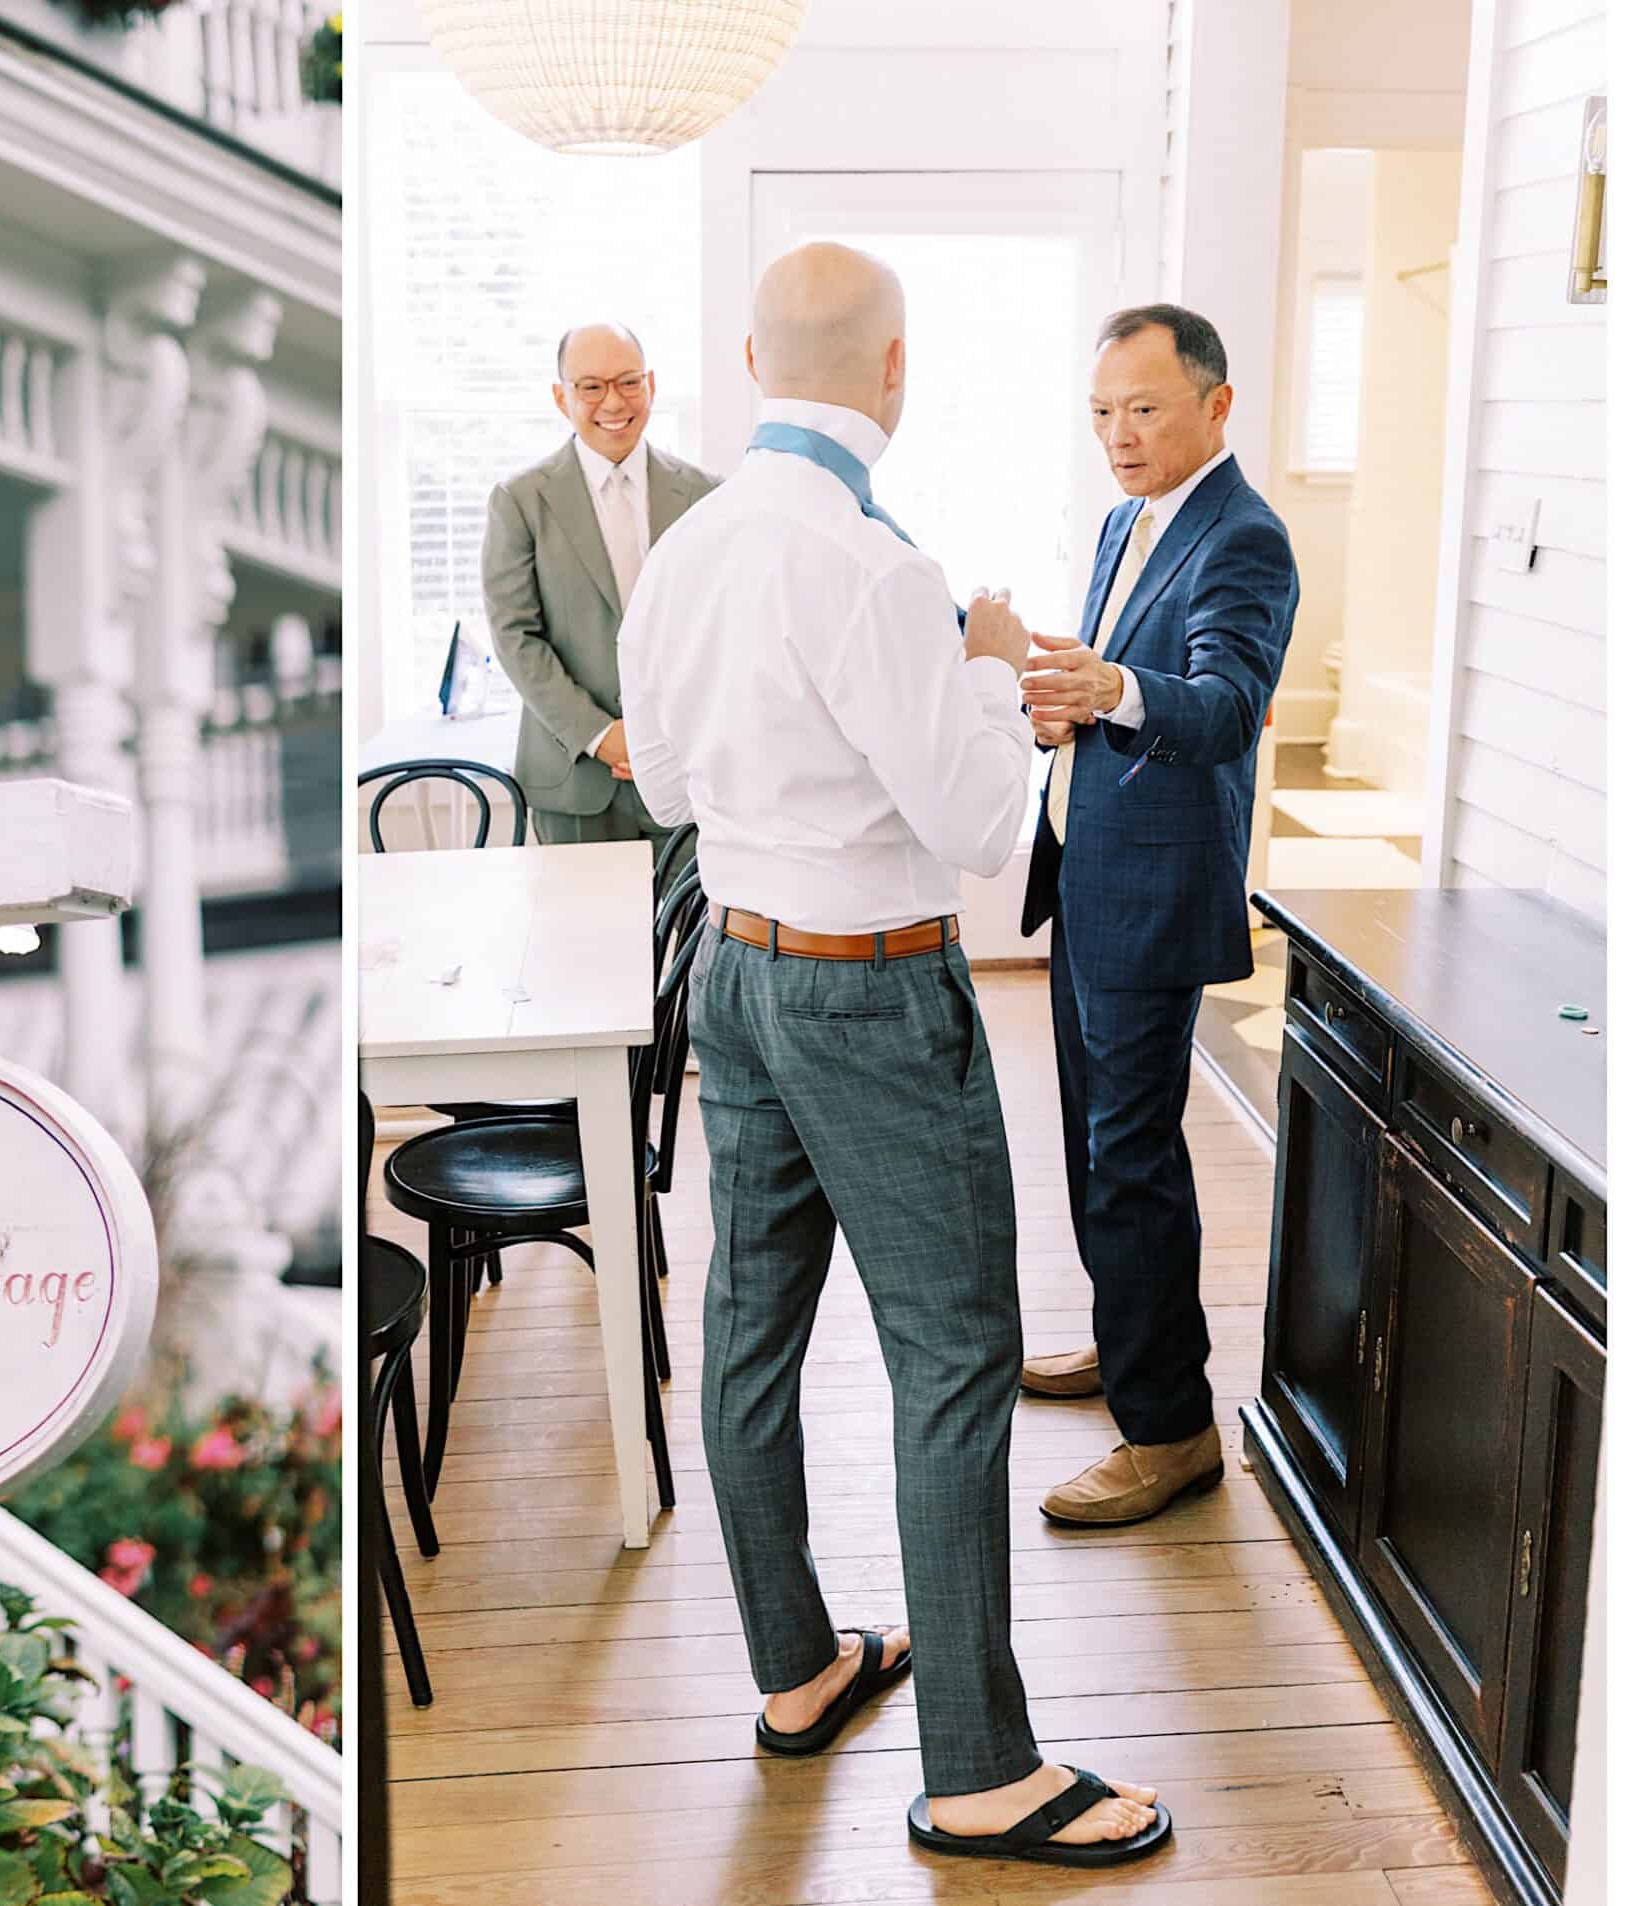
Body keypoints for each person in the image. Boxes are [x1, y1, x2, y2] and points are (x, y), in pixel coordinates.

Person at [618, 241, 1167, 1868]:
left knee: (746, 1333)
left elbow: (660, 794)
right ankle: (986, 1771)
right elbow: (985, 823)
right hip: (868, 991)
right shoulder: (868, 565)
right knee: (954, 1358)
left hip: (735, 968)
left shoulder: (689, 542)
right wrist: (995, 663)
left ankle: (796, 1671)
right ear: (897, 369)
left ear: (747, 358)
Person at [1017, 305, 1300, 1528]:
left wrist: (1116, 686)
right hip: (1086, 870)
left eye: (1141, 408)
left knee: (1129, 1155)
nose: (1117, 437)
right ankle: (1131, 1348)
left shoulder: (1246, 537)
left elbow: (1225, 704)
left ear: (1213, 404)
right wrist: (1066, 706)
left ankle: (1170, 1431)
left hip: (1150, 893)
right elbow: (1128, 688)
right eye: (1100, 414)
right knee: (1095, 1141)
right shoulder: (1124, 520)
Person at [483, 323, 715, 848]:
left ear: (651, 385)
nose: (613, 401)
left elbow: (721, 632)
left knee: (684, 932)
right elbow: (514, 635)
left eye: (628, 382)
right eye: (590, 386)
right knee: (581, 933)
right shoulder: (518, 500)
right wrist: (601, 735)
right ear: (561, 396)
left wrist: (676, 735)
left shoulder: (705, 495)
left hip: (686, 773)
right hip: (574, 778)